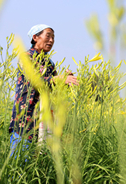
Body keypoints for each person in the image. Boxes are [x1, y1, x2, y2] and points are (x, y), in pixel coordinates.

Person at [9, 24, 78, 156]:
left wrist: (66, 82)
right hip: (25, 117)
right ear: (35, 37)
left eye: (53, 37)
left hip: (44, 119)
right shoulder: (26, 57)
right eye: (48, 36)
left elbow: (53, 88)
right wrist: (59, 79)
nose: (51, 40)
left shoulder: (49, 63)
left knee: (40, 163)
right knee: (19, 163)